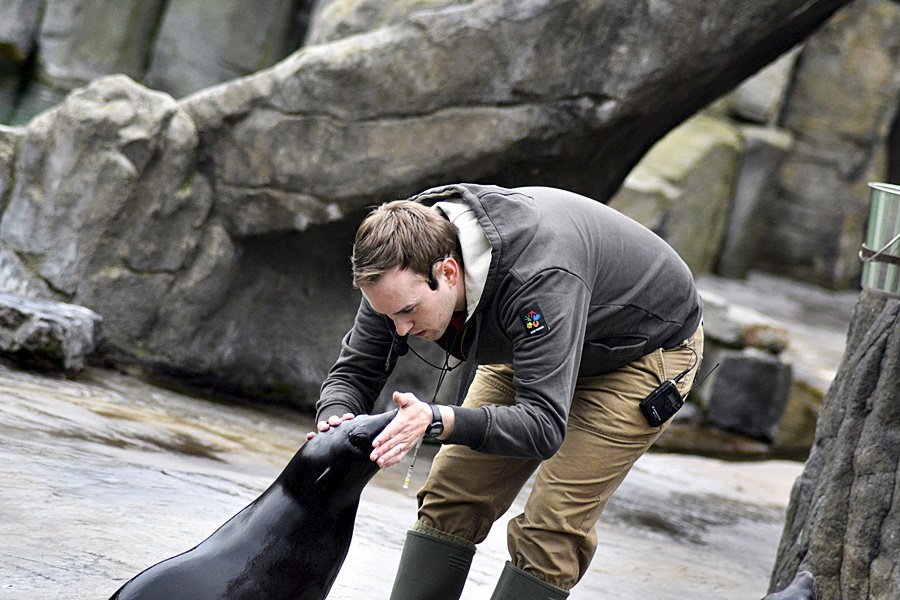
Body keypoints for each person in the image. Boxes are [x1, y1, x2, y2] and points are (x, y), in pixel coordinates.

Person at [311, 183, 703, 599]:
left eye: (408, 312)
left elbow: (543, 426)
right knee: (451, 498)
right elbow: (355, 371)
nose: (401, 330)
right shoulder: (398, 260)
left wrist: (436, 419)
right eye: (388, 315)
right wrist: (336, 420)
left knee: (550, 529)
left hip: (638, 353)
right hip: (534, 340)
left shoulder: (537, 278)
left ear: (447, 272)